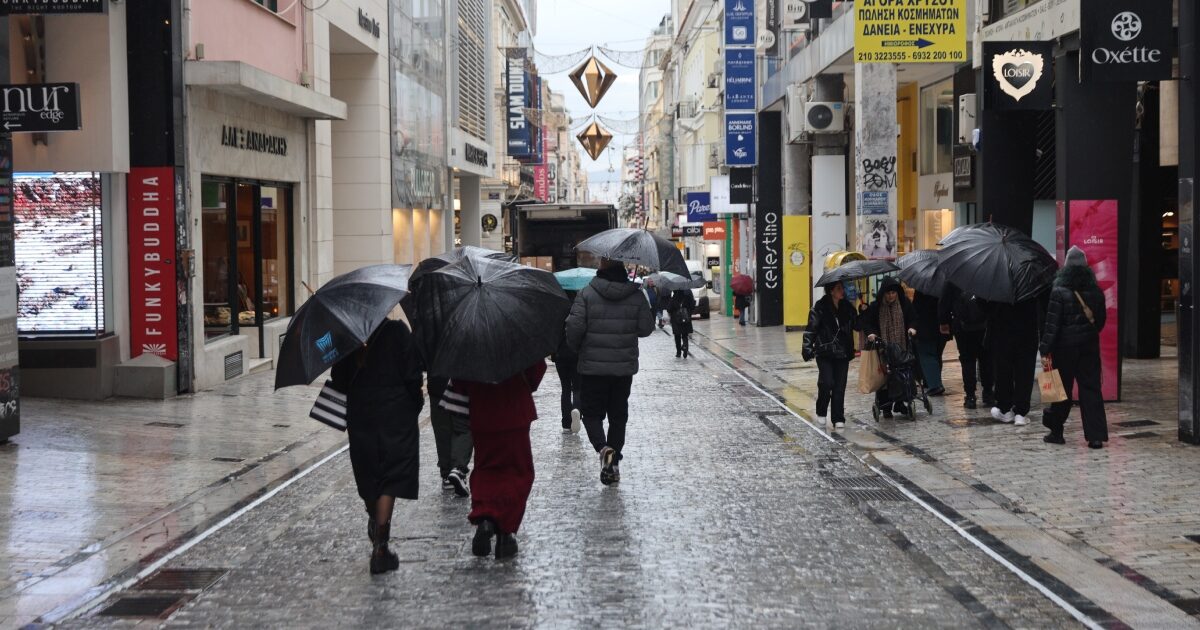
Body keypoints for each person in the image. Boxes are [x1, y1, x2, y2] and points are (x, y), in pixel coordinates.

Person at [330, 319, 424, 575]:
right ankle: (380, 546)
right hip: (396, 412)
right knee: (390, 474)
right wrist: (414, 405)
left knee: (369, 470)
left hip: (362, 414)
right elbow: (412, 374)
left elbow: (338, 380)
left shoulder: (346, 335)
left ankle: (375, 519)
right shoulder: (397, 331)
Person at [565, 258, 655, 485]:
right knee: (618, 416)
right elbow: (646, 329)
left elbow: (574, 328)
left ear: (601, 270)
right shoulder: (634, 294)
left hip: (592, 368)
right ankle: (613, 462)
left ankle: (603, 449)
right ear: (623, 270)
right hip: (623, 369)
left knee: (591, 414)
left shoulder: (586, 294)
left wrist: (577, 349)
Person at [457, 360, 547, 559]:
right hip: (515, 408)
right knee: (518, 470)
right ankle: (505, 534)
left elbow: (459, 378)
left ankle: (486, 516)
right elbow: (536, 367)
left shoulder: (472, 337)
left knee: (486, 467)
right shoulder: (518, 333)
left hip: (483, 412)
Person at [1039, 246, 1108, 448]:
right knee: (1091, 390)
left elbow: (1052, 325)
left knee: (1061, 391)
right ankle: (1096, 437)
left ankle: (1056, 432)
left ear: (1066, 267)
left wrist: (1045, 348)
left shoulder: (1059, 291)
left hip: (1064, 349)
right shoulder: (1096, 292)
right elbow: (1100, 322)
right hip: (1089, 348)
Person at [988, 292, 1048, 427]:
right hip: (1028, 332)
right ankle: (1020, 413)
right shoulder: (1032, 282)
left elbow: (985, 305)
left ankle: (1005, 408)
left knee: (1003, 370)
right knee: (1024, 372)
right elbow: (1044, 304)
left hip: (1003, 331)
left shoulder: (999, 279)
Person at [803, 281, 857, 429]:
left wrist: (862, 310)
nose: (842, 291)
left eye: (842, 288)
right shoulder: (819, 308)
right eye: (839, 289)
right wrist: (807, 347)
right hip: (825, 352)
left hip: (843, 352)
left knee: (840, 386)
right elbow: (811, 329)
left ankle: (838, 417)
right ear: (831, 291)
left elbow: (857, 325)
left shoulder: (847, 307)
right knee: (826, 383)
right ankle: (821, 411)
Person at [862, 276, 917, 418]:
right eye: (888, 293)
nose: (891, 296)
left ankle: (901, 402)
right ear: (883, 293)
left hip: (901, 346)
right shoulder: (876, 306)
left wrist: (912, 328)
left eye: (893, 293)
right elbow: (868, 323)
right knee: (886, 376)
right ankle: (885, 405)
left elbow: (912, 318)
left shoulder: (904, 304)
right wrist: (871, 333)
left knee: (901, 372)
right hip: (883, 347)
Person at [939, 283, 994, 409]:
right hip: (984, 326)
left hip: (962, 328)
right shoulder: (984, 272)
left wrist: (943, 322)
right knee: (986, 358)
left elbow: (944, 302)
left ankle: (970, 396)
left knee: (967, 360)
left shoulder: (954, 277)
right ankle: (988, 392)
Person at [428, 373, 472, 496]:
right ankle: (457, 468)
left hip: (438, 380)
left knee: (442, 428)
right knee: (463, 428)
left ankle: (448, 472)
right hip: (461, 382)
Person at [552, 291, 582, 434]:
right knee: (577, 388)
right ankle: (577, 411)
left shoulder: (557, 310)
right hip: (576, 354)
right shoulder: (580, 310)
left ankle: (566, 421)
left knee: (565, 388)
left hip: (560, 355)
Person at [912, 289, 947, 396]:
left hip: (926, 328)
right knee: (936, 355)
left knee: (927, 355)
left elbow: (916, 308)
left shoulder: (923, 289)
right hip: (941, 329)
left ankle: (935, 385)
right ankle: (932, 381)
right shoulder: (943, 287)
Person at [668, 288, 695, 358]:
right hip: (685, 318)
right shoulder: (688, 295)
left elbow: (669, 309)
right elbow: (692, 306)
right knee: (685, 335)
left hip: (676, 320)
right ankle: (685, 346)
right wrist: (688, 313)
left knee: (677, 336)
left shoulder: (674, 297)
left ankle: (678, 352)